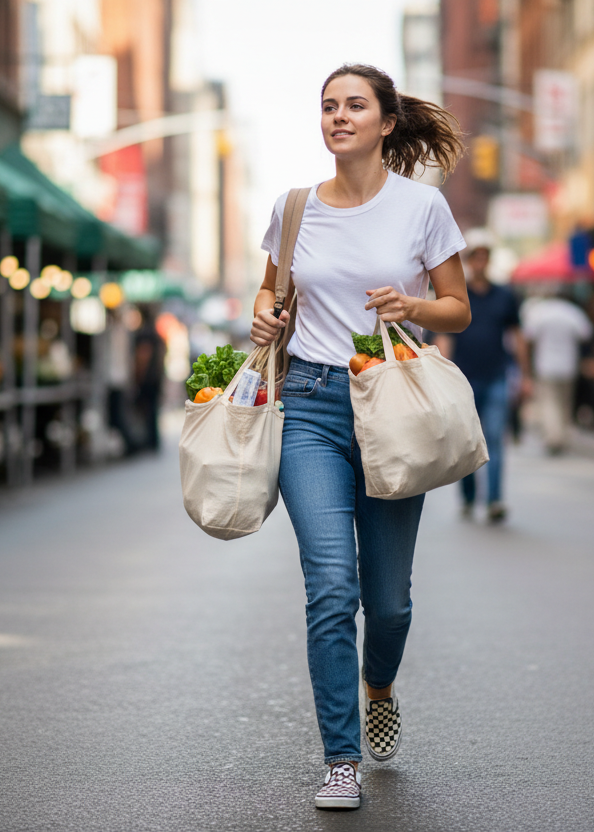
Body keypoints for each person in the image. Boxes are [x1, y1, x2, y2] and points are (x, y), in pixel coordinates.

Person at [249, 64, 469, 811]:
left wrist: (412, 302)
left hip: (391, 402)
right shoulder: (294, 207)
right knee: (332, 587)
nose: (338, 116)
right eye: (328, 106)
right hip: (310, 404)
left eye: (354, 106)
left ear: (385, 121)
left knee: (391, 603)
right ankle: (340, 759)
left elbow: (457, 309)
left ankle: (380, 682)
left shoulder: (423, 208)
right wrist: (264, 317)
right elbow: (270, 289)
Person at [435, 232, 525, 523]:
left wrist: (525, 374)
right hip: (464, 379)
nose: (480, 262)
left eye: (484, 257)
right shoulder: (458, 296)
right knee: (468, 441)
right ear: (469, 261)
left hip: (497, 375)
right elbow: (445, 335)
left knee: (496, 438)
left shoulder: (505, 296)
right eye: (475, 257)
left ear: (489, 260)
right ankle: (470, 496)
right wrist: (443, 375)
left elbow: (516, 336)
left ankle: (495, 499)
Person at [520, 285, 593, 454]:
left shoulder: (540, 312)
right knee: (564, 402)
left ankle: (553, 437)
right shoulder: (572, 312)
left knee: (549, 403)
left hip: (545, 364)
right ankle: (561, 435)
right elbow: (586, 334)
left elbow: (528, 336)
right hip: (568, 364)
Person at [129, 304, 165, 453]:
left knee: (147, 410)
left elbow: (143, 356)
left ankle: (150, 441)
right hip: (156, 377)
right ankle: (153, 440)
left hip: (148, 379)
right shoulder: (156, 333)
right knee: (153, 410)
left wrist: (138, 376)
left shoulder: (144, 333)